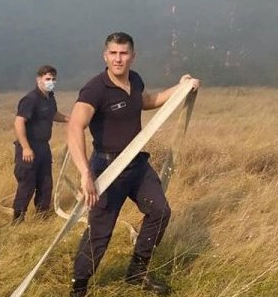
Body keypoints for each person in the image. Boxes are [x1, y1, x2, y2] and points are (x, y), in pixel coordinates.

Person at [67, 32, 200, 297]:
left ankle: (136, 273)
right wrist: (85, 173)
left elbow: (147, 101)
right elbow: (74, 127)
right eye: (113, 53)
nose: (118, 59)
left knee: (160, 212)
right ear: (105, 55)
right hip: (107, 169)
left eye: (124, 53)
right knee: (100, 233)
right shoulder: (95, 89)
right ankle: (79, 286)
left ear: (132, 56)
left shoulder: (135, 80)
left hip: (136, 165)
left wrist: (181, 87)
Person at [11, 65, 69, 224]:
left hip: (44, 147)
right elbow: (19, 122)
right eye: (47, 79)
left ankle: (42, 218)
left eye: (53, 79)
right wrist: (26, 147)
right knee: (27, 185)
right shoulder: (30, 99)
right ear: (39, 80)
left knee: (45, 184)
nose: (51, 82)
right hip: (29, 147)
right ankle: (18, 220)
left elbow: (53, 114)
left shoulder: (50, 98)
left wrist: (69, 119)